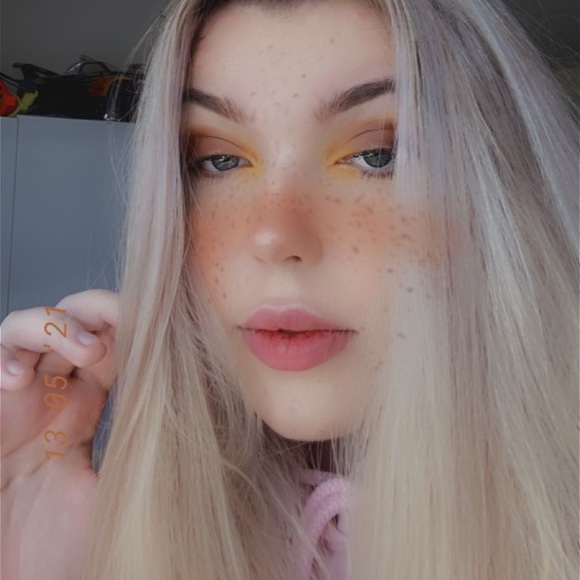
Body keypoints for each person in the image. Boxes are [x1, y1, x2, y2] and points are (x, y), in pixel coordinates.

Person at [1, 0, 578, 578]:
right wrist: (34, 542)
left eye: (377, 155)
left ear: (503, 202)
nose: (273, 236)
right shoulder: (120, 519)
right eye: (219, 161)